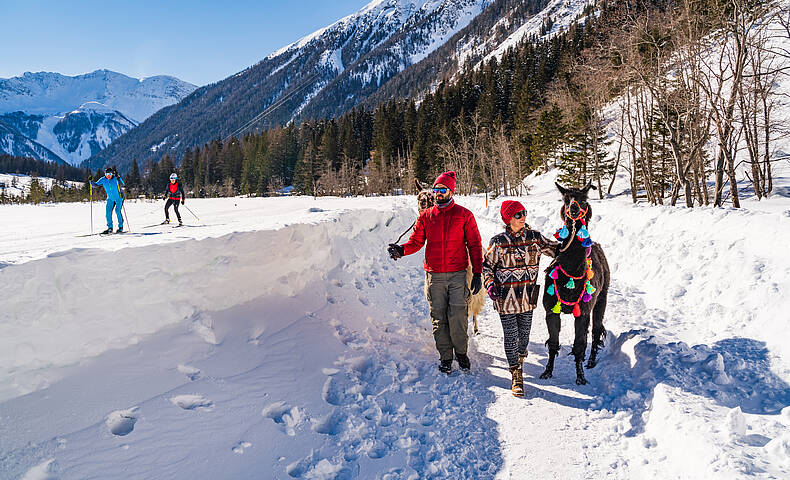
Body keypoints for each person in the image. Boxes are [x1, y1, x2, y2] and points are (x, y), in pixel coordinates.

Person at [388, 171, 483, 374]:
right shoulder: (426, 216)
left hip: (458, 274)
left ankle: (461, 354)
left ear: (451, 191)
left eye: (442, 190)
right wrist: (401, 250)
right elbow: (416, 242)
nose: (438, 194)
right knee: (439, 318)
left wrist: (477, 272)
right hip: (434, 276)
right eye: (436, 190)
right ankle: (446, 357)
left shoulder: (464, 215)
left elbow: (475, 244)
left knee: (458, 315)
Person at [483, 200, 558, 396]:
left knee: (524, 336)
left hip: (527, 297)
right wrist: (490, 285)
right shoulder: (498, 242)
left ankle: (520, 355)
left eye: (524, 212)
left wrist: (575, 241)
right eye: (518, 214)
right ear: (508, 219)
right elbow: (486, 267)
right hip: (505, 298)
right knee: (511, 335)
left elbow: (557, 250)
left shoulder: (535, 238)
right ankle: (516, 373)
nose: (523, 216)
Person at [90, 168, 125, 234]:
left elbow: (122, 184)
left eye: (110, 174)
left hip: (119, 197)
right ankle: (110, 228)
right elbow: (95, 185)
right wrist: (91, 181)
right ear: (105, 174)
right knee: (108, 213)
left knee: (117, 211)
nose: (108, 175)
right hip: (110, 198)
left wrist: (119, 178)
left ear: (112, 174)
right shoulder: (103, 179)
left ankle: (120, 227)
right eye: (107, 174)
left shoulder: (115, 178)